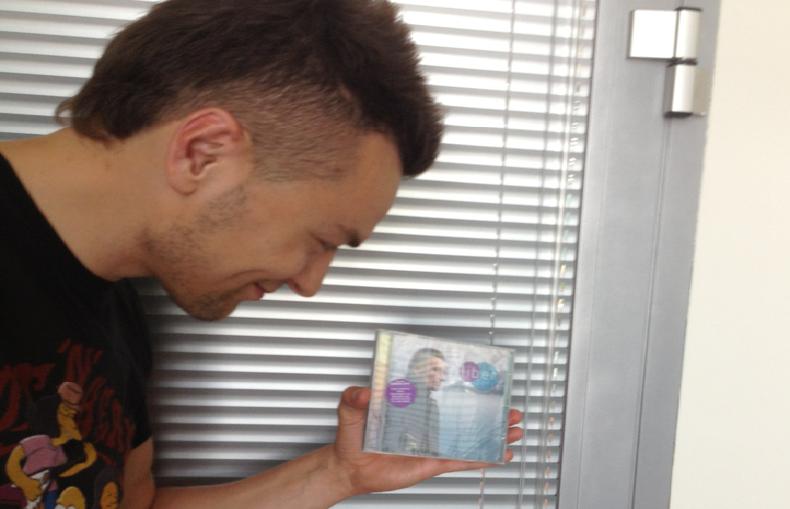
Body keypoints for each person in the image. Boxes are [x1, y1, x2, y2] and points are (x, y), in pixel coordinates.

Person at [0, 1, 524, 508]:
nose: (310, 284)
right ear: (203, 153)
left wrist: (337, 474)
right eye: (321, 239)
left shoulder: (116, 312)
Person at [382, 348, 446, 457]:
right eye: (435, 369)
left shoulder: (433, 406)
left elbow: (433, 450)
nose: (442, 378)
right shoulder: (398, 395)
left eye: (443, 372)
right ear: (416, 369)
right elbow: (389, 446)